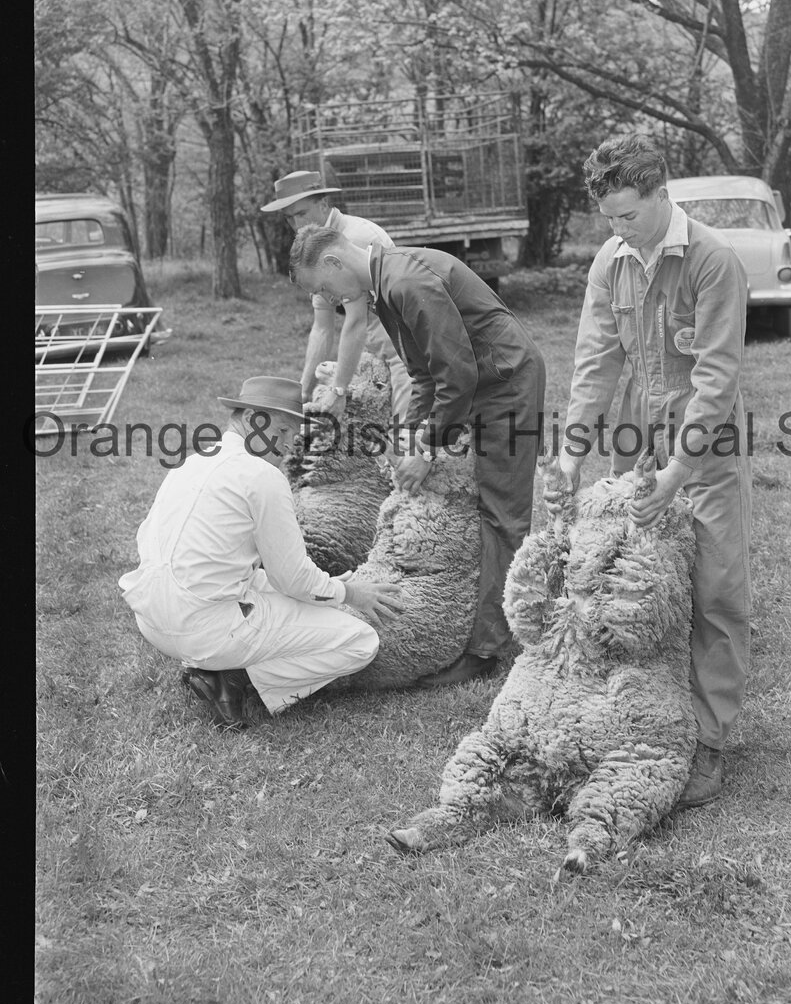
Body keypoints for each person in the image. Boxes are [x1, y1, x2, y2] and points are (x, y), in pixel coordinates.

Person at [548, 134, 751, 807]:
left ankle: (710, 738)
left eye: (628, 216)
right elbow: (597, 361)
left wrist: (680, 472)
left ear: (663, 195)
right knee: (628, 583)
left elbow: (718, 379)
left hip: (706, 436)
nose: (617, 230)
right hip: (637, 429)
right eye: (608, 219)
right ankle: (635, 721)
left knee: (713, 587)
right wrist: (574, 449)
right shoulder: (611, 262)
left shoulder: (714, 263)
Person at [288, 225, 546, 686]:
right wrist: (410, 437)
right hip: (476, 382)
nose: (328, 297)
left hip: (505, 383)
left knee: (500, 512)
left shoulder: (405, 282)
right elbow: (425, 375)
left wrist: (426, 449)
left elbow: (457, 373)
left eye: (324, 288)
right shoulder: (382, 288)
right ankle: (471, 614)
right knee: (472, 505)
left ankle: (487, 649)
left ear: (332, 262)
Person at [118, 376, 405, 727]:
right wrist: (350, 593)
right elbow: (294, 578)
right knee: (360, 641)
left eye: (291, 437)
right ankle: (233, 678)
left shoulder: (192, 462)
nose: (287, 447)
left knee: (279, 592)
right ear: (254, 419)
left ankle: (218, 670)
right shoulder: (261, 476)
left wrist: (323, 587)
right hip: (204, 631)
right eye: (282, 432)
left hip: (151, 621)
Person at [259, 170, 411, 419]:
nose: (296, 225)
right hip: (374, 351)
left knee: (404, 440)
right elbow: (322, 327)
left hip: (403, 353)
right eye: (289, 218)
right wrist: (302, 393)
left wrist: (339, 391)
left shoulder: (355, 237)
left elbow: (355, 321)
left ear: (323, 204)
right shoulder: (313, 246)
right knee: (322, 377)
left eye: (302, 214)